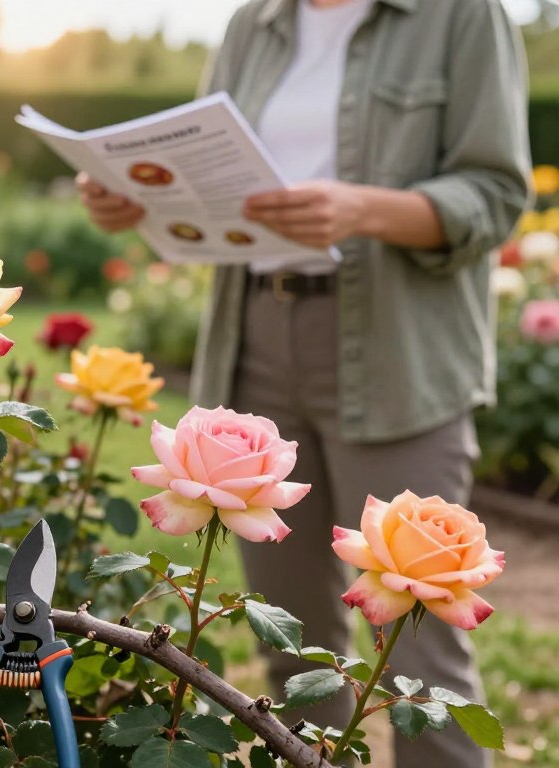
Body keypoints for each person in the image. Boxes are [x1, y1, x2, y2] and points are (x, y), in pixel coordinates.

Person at [77, 1, 531, 766]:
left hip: (398, 355)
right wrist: (139, 196)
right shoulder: (255, 22)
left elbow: (495, 194)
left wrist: (362, 209)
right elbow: (204, 175)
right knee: (294, 659)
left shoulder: (463, 14)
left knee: (423, 666)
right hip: (255, 342)